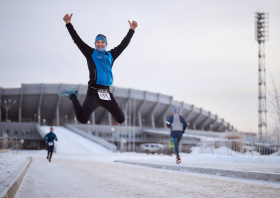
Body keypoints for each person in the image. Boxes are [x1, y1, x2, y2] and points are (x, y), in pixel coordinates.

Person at [58, 13, 138, 125]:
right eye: (98, 42)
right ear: (95, 43)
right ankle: (72, 96)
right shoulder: (91, 53)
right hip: (94, 93)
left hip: (107, 93)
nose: (100, 44)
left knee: (121, 119)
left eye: (102, 42)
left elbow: (123, 45)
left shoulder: (111, 55)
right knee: (82, 119)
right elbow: (77, 40)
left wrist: (131, 30)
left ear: (106, 43)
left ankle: (74, 96)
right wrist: (68, 24)